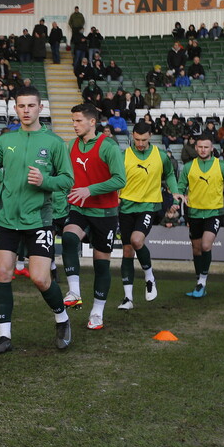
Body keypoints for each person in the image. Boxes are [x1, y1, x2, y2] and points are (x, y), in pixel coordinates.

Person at [0, 86, 73, 353]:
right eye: (21, 106)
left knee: (40, 278)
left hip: (39, 220)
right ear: (15, 109)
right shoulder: (6, 140)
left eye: (31, 105)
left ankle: (62, 318)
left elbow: (67, 180)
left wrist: (45, 181)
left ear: (41, 108)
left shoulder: (54, 142)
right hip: (6, 219)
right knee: (3, 273)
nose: (26, 110)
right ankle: (4, 336)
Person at [61, 103, 126, 330]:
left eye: (78, 120)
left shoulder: (108, 146)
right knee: (68, 239)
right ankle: (74, 291)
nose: (74, 125)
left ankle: (97, 312)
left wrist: (90, 189)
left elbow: (120, 180)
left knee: (101, 266)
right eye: (73, 121)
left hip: (106, 214)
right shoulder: (71, 145)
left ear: (92, 122)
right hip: (79, 209)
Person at [118, 121, 181, 309]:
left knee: (137, 241)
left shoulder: (160, 156)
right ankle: (128, 299)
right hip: (126, 207)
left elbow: (169, 174)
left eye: (144, 140)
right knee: (128, 250)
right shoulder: (124, 155)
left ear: (150, 136)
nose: (140, 143)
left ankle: (149, 276)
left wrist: (175, 192)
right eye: (136, 139)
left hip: (148, 206)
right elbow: (115, 178)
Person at [177, 135, 224, 298]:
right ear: (196, 148)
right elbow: (180, 187)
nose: (203, 150)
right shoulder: (188, 167)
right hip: (193, 213)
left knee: (206, 246)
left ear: (212, 148)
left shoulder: (221, 166)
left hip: (214, 212)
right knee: (196, 249)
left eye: (206, 147)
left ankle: (202, 282)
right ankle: (199, 280)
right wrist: (179, 196)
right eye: (200, 147)